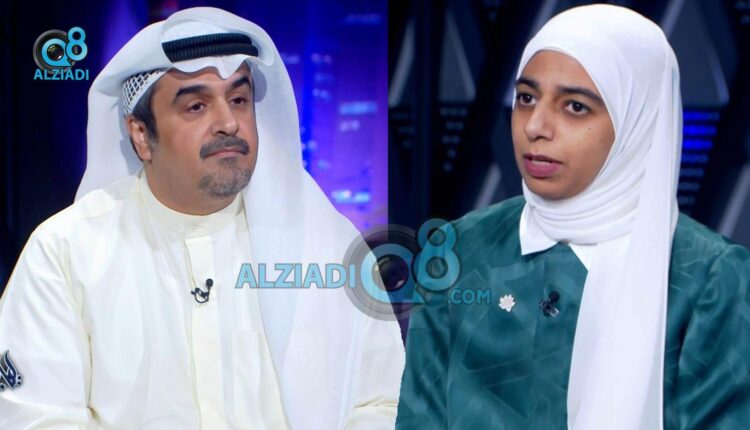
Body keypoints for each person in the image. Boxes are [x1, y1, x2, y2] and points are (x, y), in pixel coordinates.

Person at [0, 7, 404, 429]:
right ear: (141, 135)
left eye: (239, 100)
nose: (228, 123)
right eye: (196, 106)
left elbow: (384, 402)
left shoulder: (326, 243)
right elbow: (35, 416)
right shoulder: (65, 251)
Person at [396, 4, 750, 429]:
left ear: (638, 121)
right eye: (526, 98)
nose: (535, 126)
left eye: (575, 107)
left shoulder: (713, 279)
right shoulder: (458, 251)